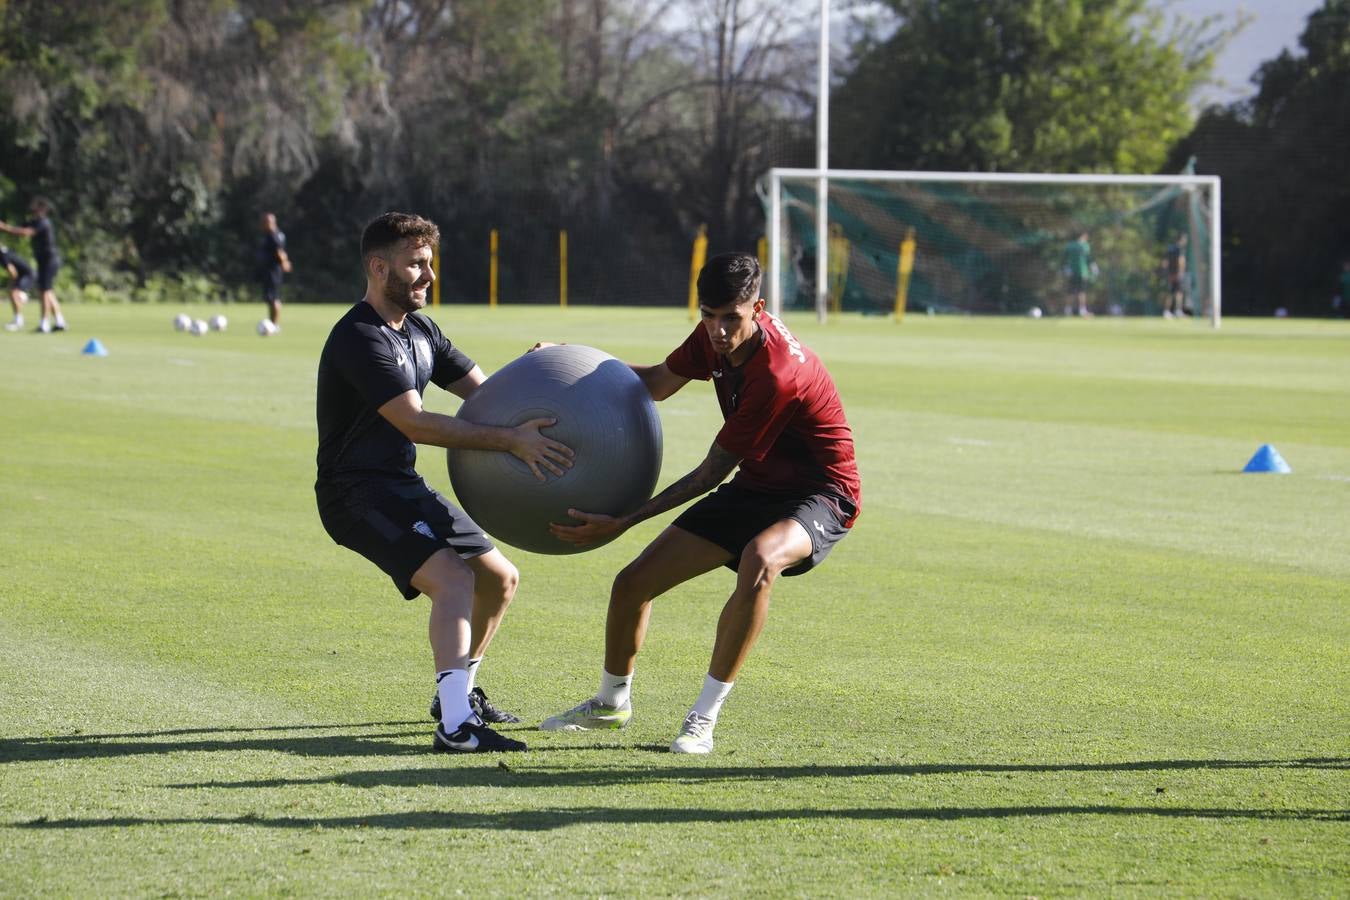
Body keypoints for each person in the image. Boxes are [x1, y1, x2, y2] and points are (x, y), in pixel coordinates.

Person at [539, 252, 861, 754]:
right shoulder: (712, 337)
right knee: (632, 585)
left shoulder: (775, 375)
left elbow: (711, 473)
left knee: (760, 558)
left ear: (759, 308)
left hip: (821, 493)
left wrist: (624, 521)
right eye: (707, 316)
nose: (717, 331)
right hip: (758, 485)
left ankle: (702, 719)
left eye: (731, 318)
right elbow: (653, 385)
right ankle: (610, 703)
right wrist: (573, 358)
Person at [315, 212, 574, 754]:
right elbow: (416, 423)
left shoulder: (422, 331)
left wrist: (533, 369)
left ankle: (457, 694)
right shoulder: (360, 338)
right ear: (377, 266)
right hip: (355, 494)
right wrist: (510, 441)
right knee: (454, 578)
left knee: (499, 578)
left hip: (400, 484)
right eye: (415, 264)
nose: (428, 274)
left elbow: (485, 395)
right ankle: (456, 728)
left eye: (430, 262)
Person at [0, 197, 66, 333]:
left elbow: (26, 232)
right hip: (43, 261)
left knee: (44, 291)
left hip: (49, 260)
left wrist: (5, 227)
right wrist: (10, 227)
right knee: (48, 290)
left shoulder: (43, 222)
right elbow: (22, 227)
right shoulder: (35, 221)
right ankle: (60, 321)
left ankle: (44, 324)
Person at [258, 212, 291, 330]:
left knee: (274, 298)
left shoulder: (272, 235)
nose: (262, 224)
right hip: (271, 270)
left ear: (270, 222)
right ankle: (272, 323)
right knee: (271, 298)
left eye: (264, 222)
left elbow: (279, 251)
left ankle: (275, 325)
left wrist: (284, 262)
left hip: (273, 271)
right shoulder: (276, 234)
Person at [0, 243, 34, 332]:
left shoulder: (2, 255)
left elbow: (13, 272)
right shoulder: (4, 251)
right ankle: (18, 318)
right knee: (13, 293)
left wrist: (11, 285)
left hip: (27, 275)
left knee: (14, 293)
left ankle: (19, 321)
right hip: (23, 275)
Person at [1062, 231, 1094, 317]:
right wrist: (1093, 267)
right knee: (1082, 291)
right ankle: (1082, 310)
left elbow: (1064, 258)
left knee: (1070, 291)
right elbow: (1088, 258)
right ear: (1083, 235)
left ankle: (1067, 310)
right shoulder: (1084, 245)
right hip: (1082, 272)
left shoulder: (1069, 245)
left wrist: (1065, 268)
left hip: (1071, 272)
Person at [1163, 233, 1189, 319]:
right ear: (1181, 240)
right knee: (1179, 293)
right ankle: (1178, 311)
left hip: (1170, 274)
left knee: (1170, 292)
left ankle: (1166, 312)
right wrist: (1181, 272)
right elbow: (1180, 261)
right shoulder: (1179, 249)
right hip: (1177, 274)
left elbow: (1165, 263)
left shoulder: (1170, 248)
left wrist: (1167, 273)